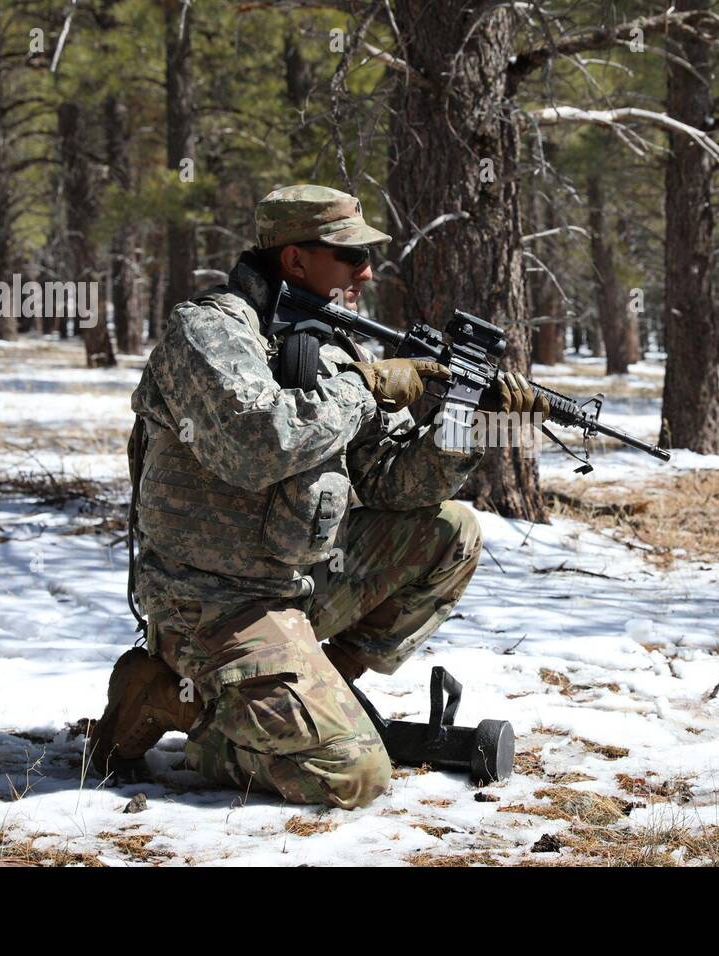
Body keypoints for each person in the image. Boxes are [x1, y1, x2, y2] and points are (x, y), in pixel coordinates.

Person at [88, 184, 547, 808]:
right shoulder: (209, 331)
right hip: (209, 602)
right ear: (294, 259)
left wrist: (461, 416)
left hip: (296, 582)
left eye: (366, 256)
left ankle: (321, 681)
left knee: (450, 531)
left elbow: (392, 481)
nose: (365, 270)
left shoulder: (327, 345)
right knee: (351, 774)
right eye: (348, 255)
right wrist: (365, 389)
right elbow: (259, 444)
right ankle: (174, 702)